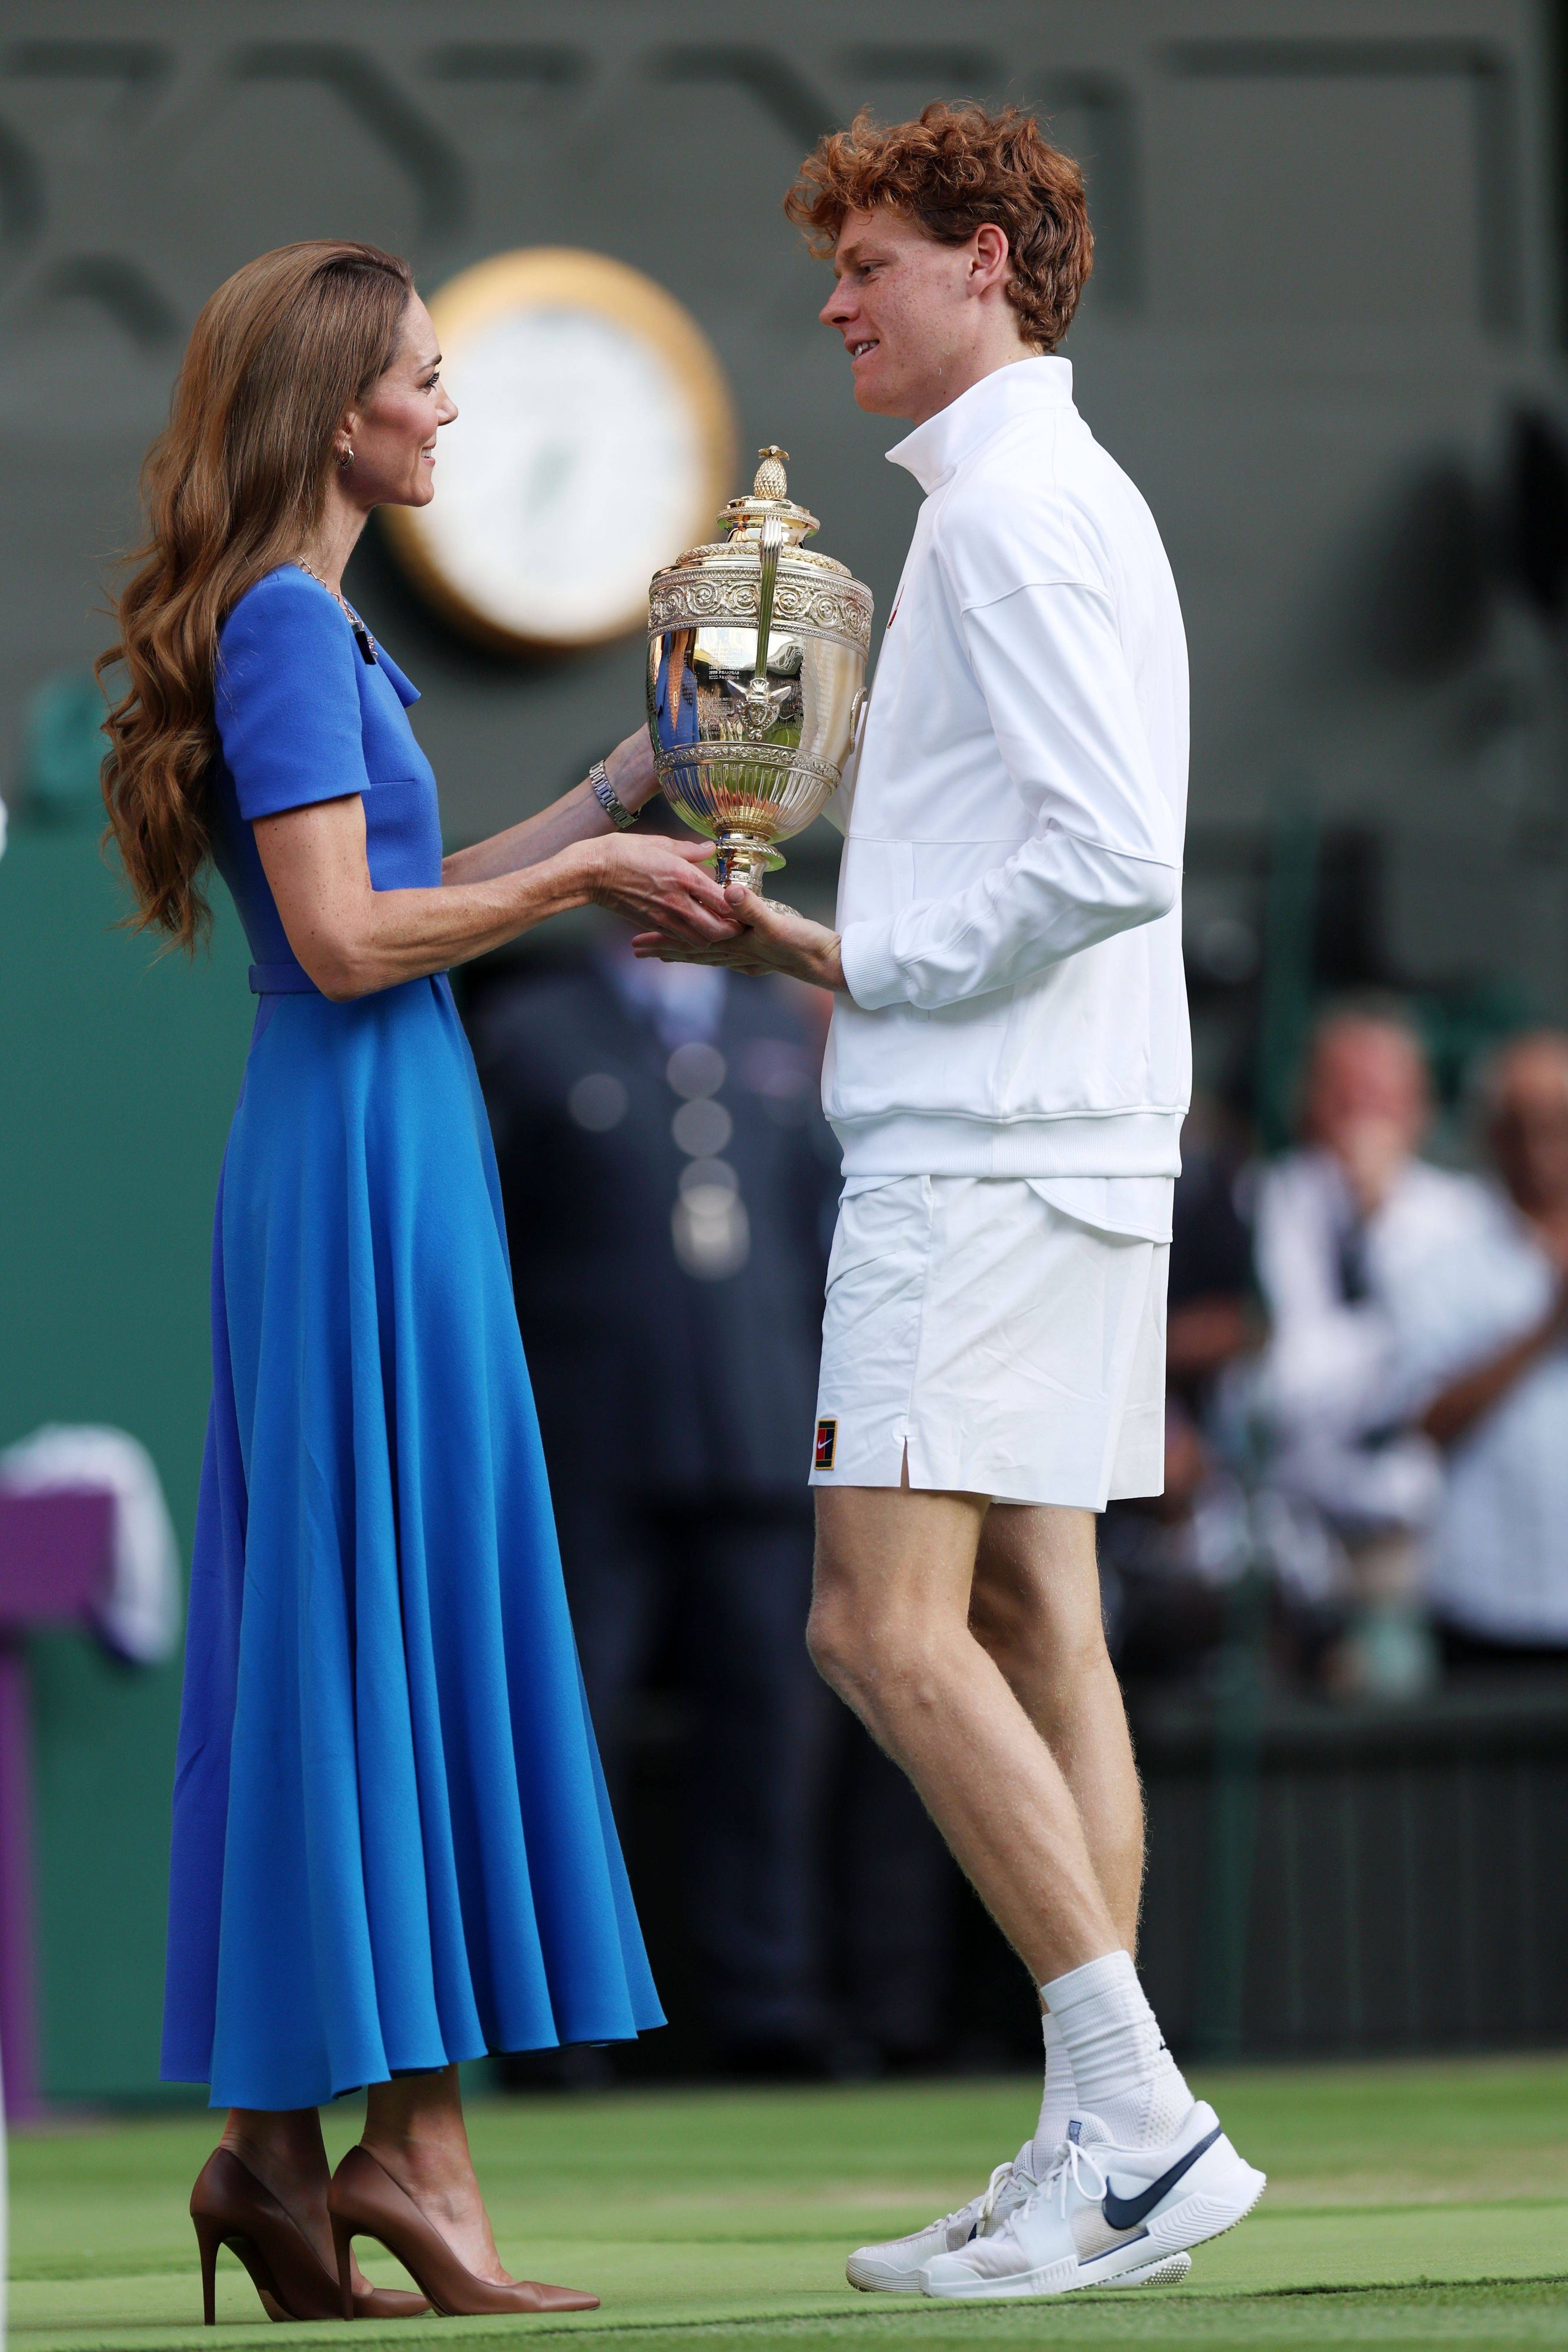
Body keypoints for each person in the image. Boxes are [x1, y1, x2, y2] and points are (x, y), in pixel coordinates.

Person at [636, 104, 1263, 2300]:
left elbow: (1105, 854)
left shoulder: (1005, 514)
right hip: (1062, 1138)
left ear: (981, 263)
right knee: (1030, 1622)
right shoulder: (1044, 499)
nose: (833, 302)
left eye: (870, 263)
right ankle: (1094, 2146)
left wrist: (827, 951)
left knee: (871, 1624)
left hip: (986, 1146)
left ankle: (1143, 2119)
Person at [99, 240, 740, 2321]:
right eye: (427, 378)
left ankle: (287, 2166)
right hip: (357, 1152)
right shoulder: (291, 627)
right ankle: (395, 2159)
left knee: (367, 1631)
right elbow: (351, 942)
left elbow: (388, 898)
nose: (451, 408)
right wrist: (580, 880)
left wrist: (619, 792)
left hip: (373, 1147)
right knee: (377, 1629)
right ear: (336, 409)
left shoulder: (307, 627)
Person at [469, 928, 840, 2073]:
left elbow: (825, 1243)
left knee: (775, 1730)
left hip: (761, 1434)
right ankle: (562, 2013)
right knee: (575, 1726)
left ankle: (762, 1995)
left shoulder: (777, 1029)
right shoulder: (529, 1032)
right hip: (590, 1443)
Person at [1251, 1009, 1467, 1690]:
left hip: (1415, 1540)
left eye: (1379, 1099)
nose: (1360, 1118)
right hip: (1288, 1531)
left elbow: (1435, 1371)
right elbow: (1283, 1383)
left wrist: (1383, 1223)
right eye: (1344, 1095)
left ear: (1419, 1110)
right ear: (1309, 1102)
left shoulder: (1460, 1214)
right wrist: (1383, 1353)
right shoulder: (1272, 1197)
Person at [1385, 1033, 1568, 1666]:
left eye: (1558, 1126)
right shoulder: (1445, 1256)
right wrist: (1545, 1329)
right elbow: (1429, 1419)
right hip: (1492, 1603)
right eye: (1521, 1127)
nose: (1542, 1149)